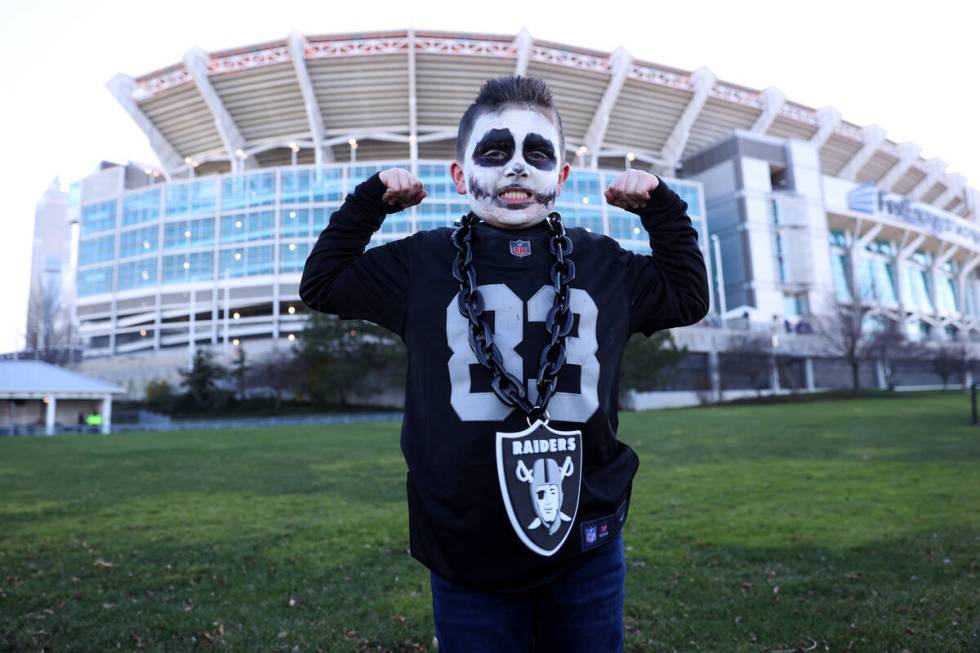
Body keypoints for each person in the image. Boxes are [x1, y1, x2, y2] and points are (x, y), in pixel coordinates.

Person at [300, 75, 708, 652]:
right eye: (495, 152)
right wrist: (370, 203)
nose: (517, 167)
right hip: (466, 542)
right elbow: (321, 284)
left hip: (585, 536)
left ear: (561, 177)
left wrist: (662, 210)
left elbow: (688, 297)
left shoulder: (602, 262)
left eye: (537, 153)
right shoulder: (422, 262)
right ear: (461, 175)